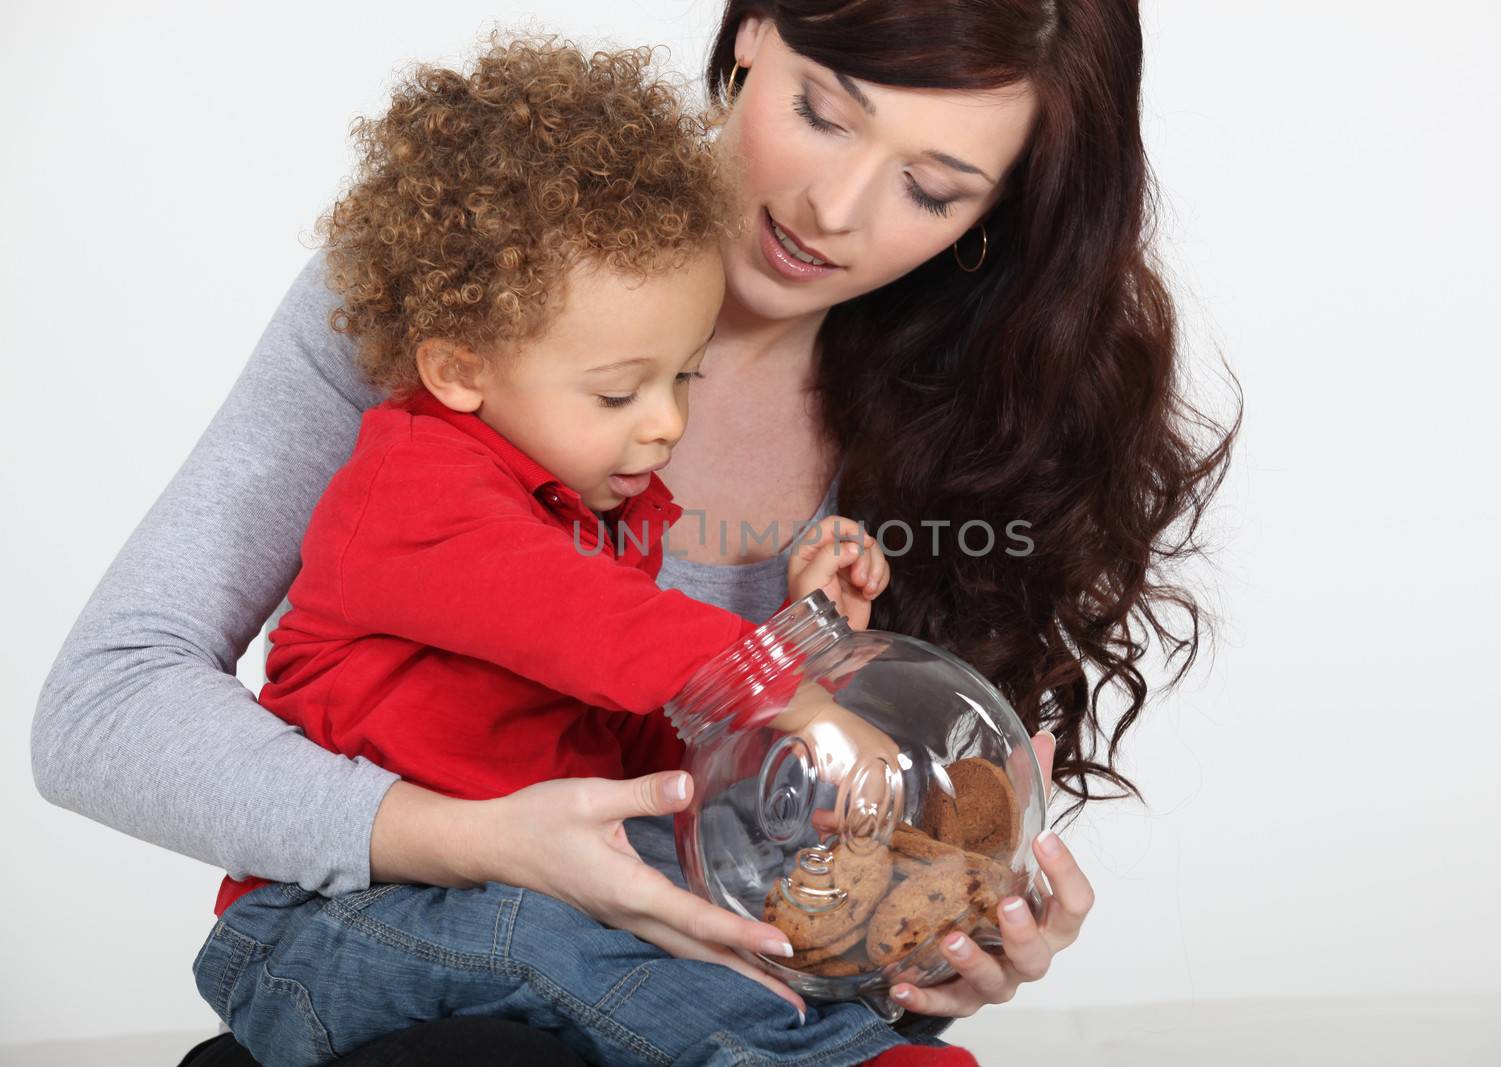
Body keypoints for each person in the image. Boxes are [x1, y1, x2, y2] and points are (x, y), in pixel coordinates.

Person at [34, 1, 1233, 1063]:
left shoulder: (972, 430)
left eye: (931, 189)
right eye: (823, 111)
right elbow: (106, 708)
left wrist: (927, 940)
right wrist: (479, 839)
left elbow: (768, 824)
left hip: (689, 1000)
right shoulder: (464, 292)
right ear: (753, 28)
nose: (833, 207)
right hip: (403, 955)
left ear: (997, 216)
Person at [193, 37, 938, 1067]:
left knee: (710, 932)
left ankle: (853, 1044)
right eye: (617, 391)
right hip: (320, 925)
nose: (664, 424)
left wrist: (799, 642)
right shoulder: (414, 491)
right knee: (560, 948)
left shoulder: (594, 516)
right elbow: (580, 620)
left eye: (683, 379)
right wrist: (770, 687)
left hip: (500, 902)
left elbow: (646, 754)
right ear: (460, 366)